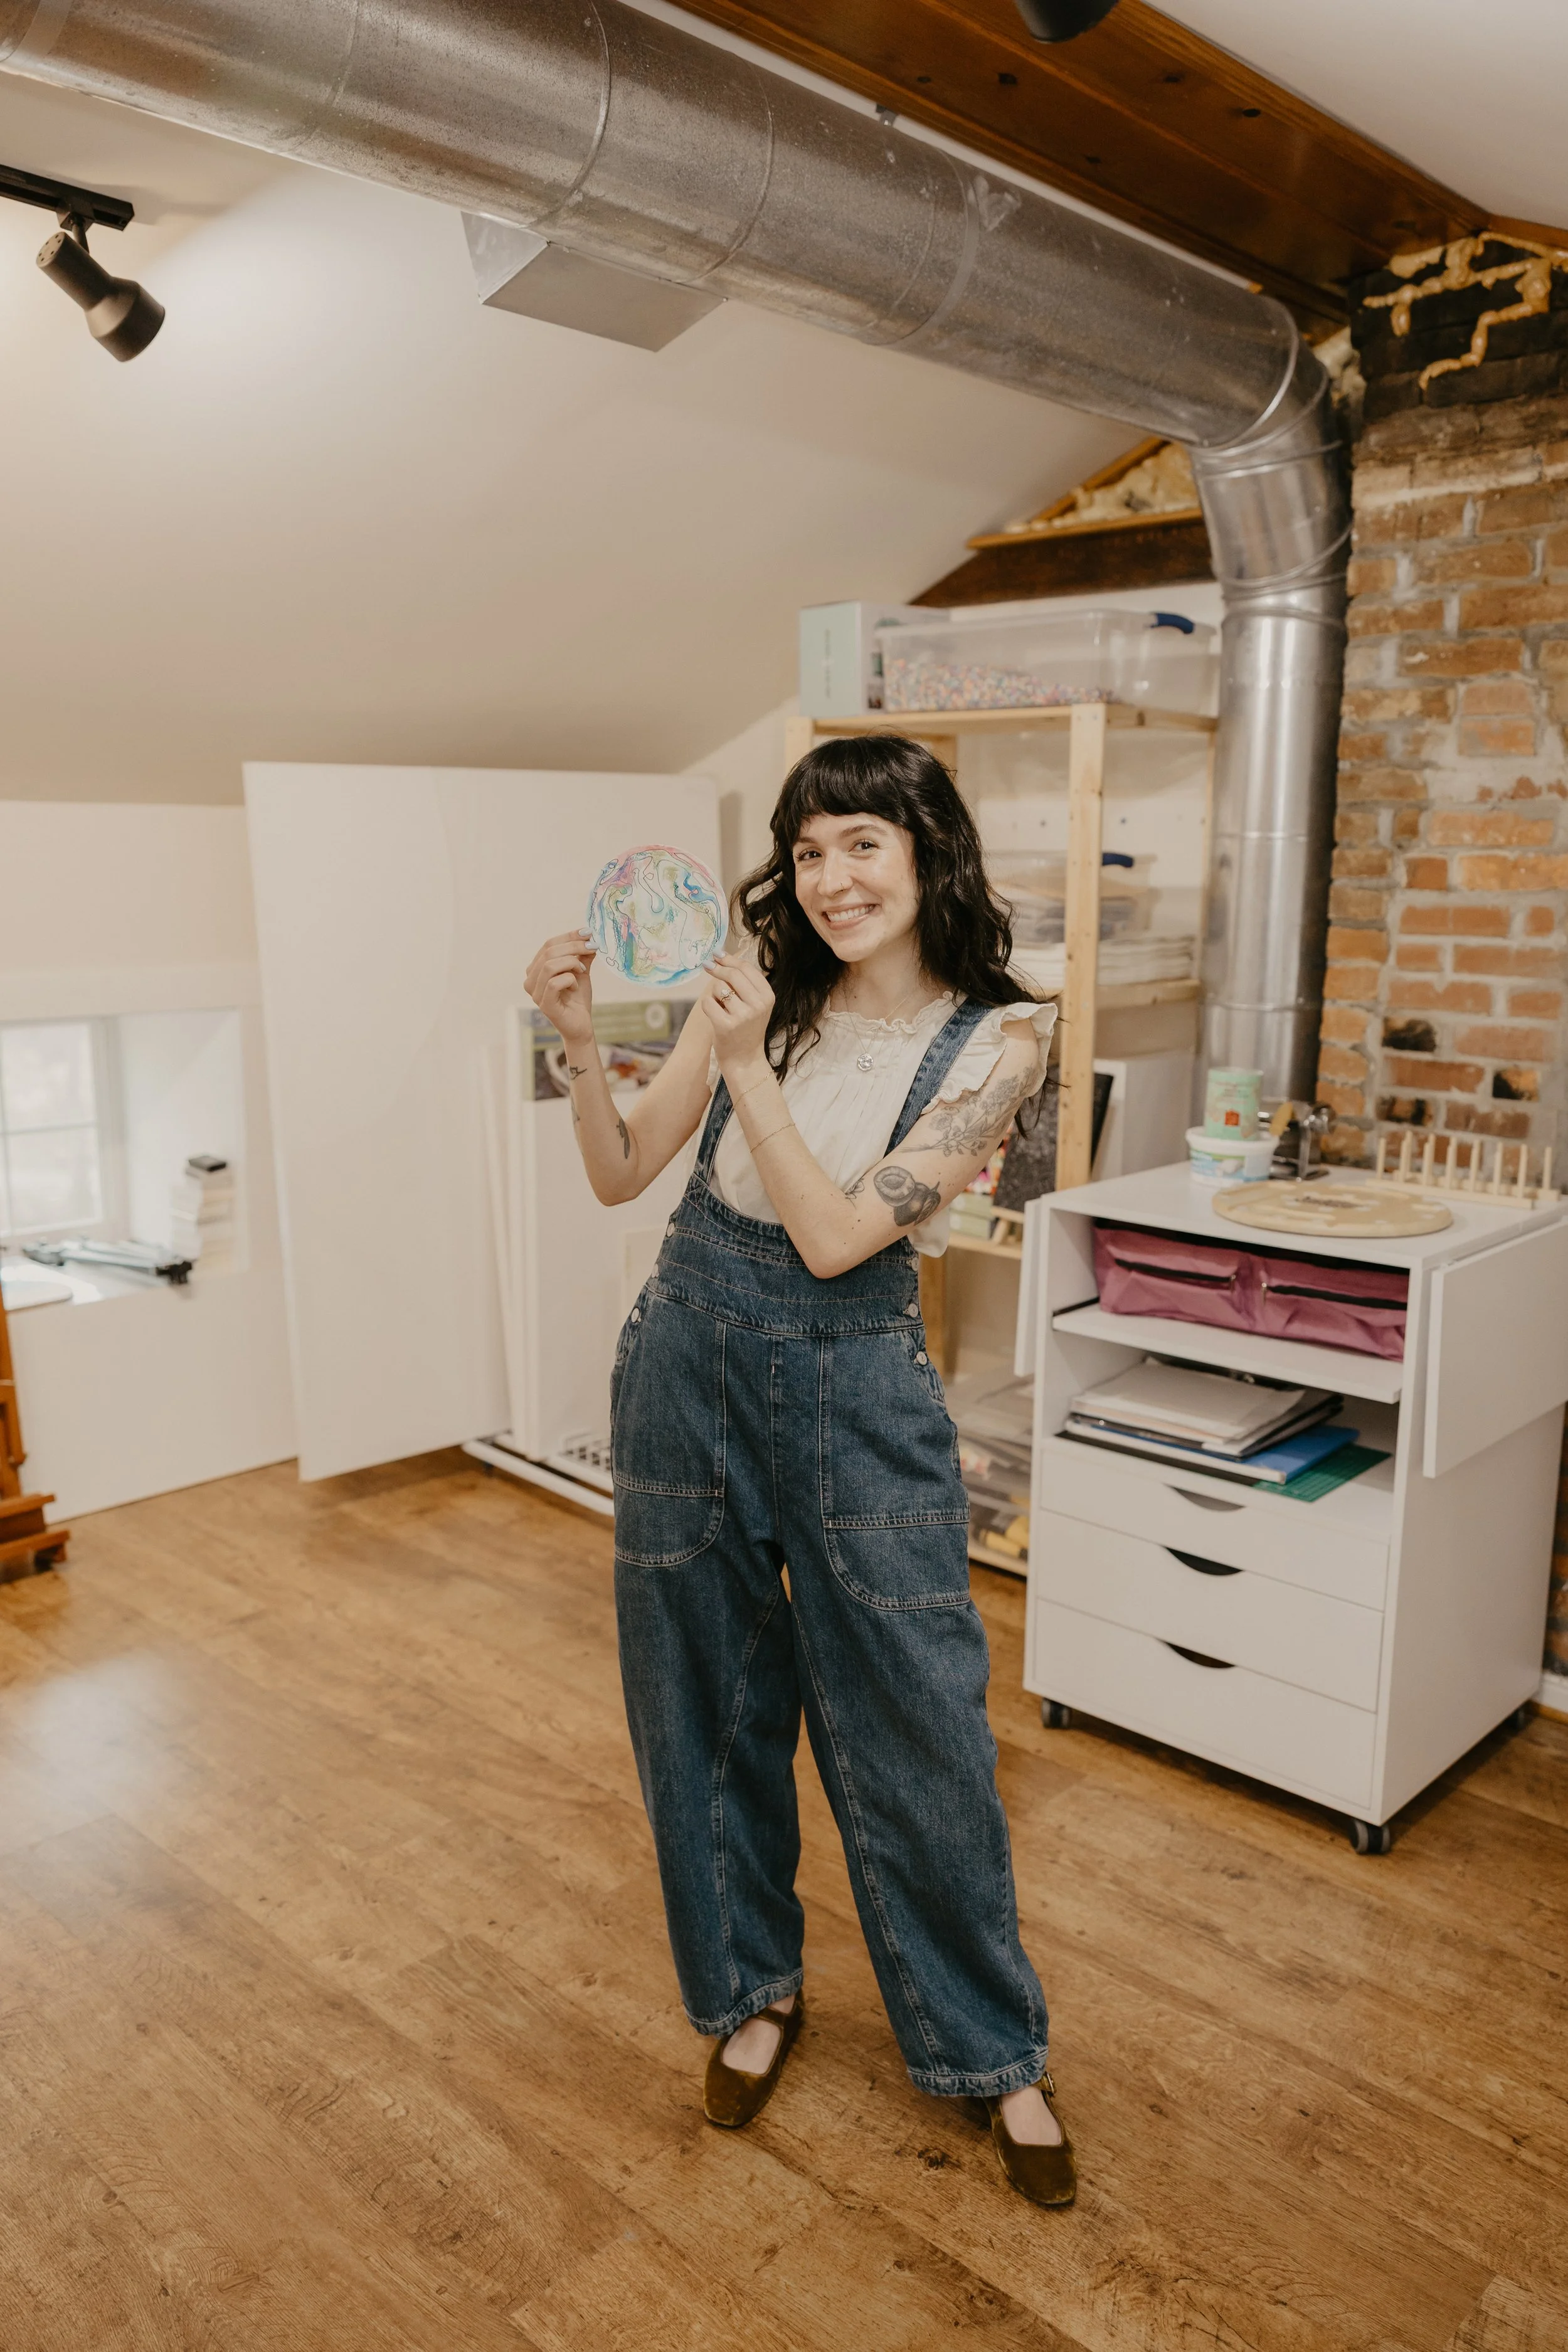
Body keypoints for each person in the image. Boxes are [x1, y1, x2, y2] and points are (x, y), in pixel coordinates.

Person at [524, 734, 1074, 2208]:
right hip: (685, 1363)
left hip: (855, 1387)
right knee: (699, 1705)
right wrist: (578, 1036)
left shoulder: (1000, 1041)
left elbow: (836, 1240)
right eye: (808, 850)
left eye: (861, 845)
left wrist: (745, 1058)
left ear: (928, 853)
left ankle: (989, 2048)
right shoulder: (756, 990)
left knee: (918, 1729)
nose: (829, 879)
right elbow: (621, 1172)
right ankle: (749, 1992)